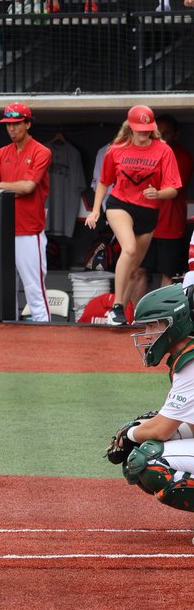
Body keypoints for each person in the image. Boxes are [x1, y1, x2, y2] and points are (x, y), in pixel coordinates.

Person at [105, 284, 194, 534]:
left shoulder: (190, 364)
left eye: (153, 326)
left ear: (173, 324)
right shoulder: (187, 355)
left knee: (149, 459)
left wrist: (129, 433)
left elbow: (162, 429)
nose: (147, 334)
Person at [86, 104, 182, 326]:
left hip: (148, 211)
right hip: (120, 205)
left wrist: (158, 193)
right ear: (130, 127)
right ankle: (117, 306)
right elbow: (104, 181)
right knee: (128, 249)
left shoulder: (163, 150)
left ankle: (120, 316)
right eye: (139, 128)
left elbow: (173, 188)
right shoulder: (116, 149)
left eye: (147, 129)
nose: (143, 133)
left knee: (134, 268)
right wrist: (96, 209)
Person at [0, 102, 52, 323]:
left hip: (29, 231)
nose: (11, 129)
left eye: (16, 124)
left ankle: (45, 330)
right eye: (8, 124)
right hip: (4, 230)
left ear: (28, 124)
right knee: (5, 289)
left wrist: (2, 185)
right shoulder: (0, 154)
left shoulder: (41, 151)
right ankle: (9, 335)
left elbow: (28, 187)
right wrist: (12, 187)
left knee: (34, 288)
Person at [144, 115, 193, 286]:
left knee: (168, 275)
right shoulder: (144, 153)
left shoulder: (182, 157)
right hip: (145, 224)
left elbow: (171, 189)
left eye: (167, 133)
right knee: (138, 272)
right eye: (159, 132)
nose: (162, 137)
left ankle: (163, 306)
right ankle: (134, 306)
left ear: (176, 134)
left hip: (170, 227)